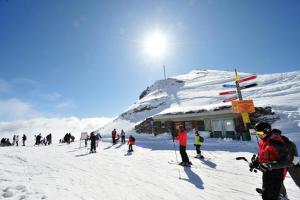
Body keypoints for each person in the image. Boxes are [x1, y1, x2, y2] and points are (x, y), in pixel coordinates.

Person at [250, 122, 290, 200]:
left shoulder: (276, 142)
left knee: (271, 196)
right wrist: (256, 162)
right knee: (266, 191)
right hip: (267, 170)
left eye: (260, 133)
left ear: (267, 131)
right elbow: (262, 154)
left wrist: (270, 165)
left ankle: (280, 196)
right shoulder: (263, 141)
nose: (259, 135)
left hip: (277, 172)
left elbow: (286, 162)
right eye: (257, 133)